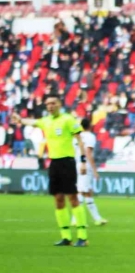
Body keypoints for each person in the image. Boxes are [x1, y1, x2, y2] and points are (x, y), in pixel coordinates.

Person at [12, 95, 90, 247]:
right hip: (54, 163)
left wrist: (83, 161)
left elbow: (80, 141)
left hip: (67, 162)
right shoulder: (45, 121)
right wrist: (19, 119)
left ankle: (82, 236)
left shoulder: (68, 119)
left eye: (53, 103)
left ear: (59, 104)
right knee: (58, 199)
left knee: (73, 198)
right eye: (47, 104)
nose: (50, 106)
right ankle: (66, 236)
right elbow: (32, 122)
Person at [73, 118, 107, 227]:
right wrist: (94, 169)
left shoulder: (77, 136)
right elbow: (88, 152)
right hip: (85, 165)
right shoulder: (90, 136)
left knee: (87, 191)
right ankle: (75, 219)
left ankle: (97, 218)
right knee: (82, 191)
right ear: (90, 125)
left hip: (77, 163)